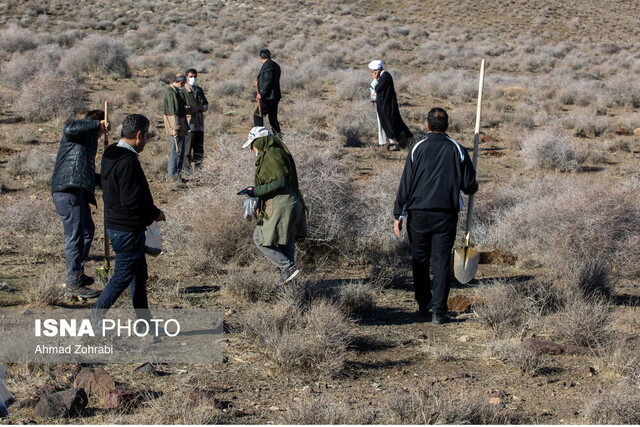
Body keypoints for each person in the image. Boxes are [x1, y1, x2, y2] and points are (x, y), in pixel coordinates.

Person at [393, 108, 477, 324]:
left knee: (420, 259)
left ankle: (424, 304)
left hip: (418, 213)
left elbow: (406, 183)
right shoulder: (458, 149)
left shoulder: (417, 149)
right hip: (445, 215)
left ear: (427, 125)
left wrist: (398, 214)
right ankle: (439, 312)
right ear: (446, 125)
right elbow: (468, 186)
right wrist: (473, 185)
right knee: (441, 260)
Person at [92, 114, 166, 320]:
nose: (146, 141)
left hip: (116, 224)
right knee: (122, 277)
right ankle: (92, 322)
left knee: (138, 276)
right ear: (139, 135)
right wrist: (155, 214)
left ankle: (144, 323)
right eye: (146, 136)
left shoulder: (110, 153)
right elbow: (132, 201)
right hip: (127, 229)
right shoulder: (128, 162)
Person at [51, 110, 110, 299]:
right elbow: (69, 127)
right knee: (75, 236)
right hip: (68, 190)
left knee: (86, 231)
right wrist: (96, 125)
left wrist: (105, 179)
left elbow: (83, 173)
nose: (102, 133)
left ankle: (77, 273)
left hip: (77, 191)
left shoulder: (88, 142)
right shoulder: (77, 132)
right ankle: (73, 283)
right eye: (102, 127)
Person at [241, 126, 306, 284]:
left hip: (282, 204)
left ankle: (287, 268)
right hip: (290, 202)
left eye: (252, 145)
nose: (252, 149)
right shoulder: (276, 153)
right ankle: (290, 284)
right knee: (285, 240)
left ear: (260, 141)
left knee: (260, 238)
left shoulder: (271, 155)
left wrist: (256, 191)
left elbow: (279, 182)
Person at [368, 59, 413, 150]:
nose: (372, 73)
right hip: (383, 105)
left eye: (373, 71)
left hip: (387, 106)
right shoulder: (383, 76)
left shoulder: (385, 76)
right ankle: (384, 144)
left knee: (392, 124)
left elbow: (377, 89)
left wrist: (374, 80)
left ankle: (401, 141)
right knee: (383, 124)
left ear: (377, 70)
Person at [163, 73, 189, 181]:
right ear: (180, 82)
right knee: (177, 151)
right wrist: (175, 127)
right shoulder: (171, 93)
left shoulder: (174, 91)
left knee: (179, 150)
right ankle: (173, 176)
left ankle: (176, 175)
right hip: (176, 127)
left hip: (179, 126)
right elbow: (173, 112)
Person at [183, 68, 209, 172]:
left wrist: (203, 108)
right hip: (189, 125)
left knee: (199, 150)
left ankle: (199, 172)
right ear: (186, 77)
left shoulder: (199, 90)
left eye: (195, 76)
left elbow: (205, 103)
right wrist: (195, 109)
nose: (193, 79)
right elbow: (182, 108)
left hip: (200, 124)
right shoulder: (183, 91)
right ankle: (187, 171)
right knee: (187, 150)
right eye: (191, 77)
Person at [253, 49, 282, 136]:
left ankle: (260, 137)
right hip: (275, 96)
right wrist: (259, 81)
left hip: (268, 97)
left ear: (261, 58)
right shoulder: (276, 65)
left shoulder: (267, 66)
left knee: (257, 115)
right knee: (273, 119)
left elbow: (268, 80)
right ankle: (279, 138)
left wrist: (261, 92)